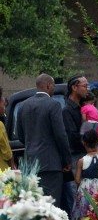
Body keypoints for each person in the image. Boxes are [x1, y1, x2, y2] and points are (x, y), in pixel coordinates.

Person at [17, 74, 71, 207]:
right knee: (51, 206)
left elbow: (20, 135)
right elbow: (60, 135)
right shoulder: (54, 105)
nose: (53, 89)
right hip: (51, 164)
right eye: (53, 86)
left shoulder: (23, 105)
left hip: (30, 163)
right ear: (48, 85)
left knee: (34, 205)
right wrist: (67, 159)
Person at [62, 74, 89, 220]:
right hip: (75, 155)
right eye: (84, 86)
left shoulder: (81, 108)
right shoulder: (67, 110)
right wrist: (87, 137)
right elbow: (72, 136)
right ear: (74, 87)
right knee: (76, 192)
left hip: (83, 153)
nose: (87, 89)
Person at [74, 129, 98, 220]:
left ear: (83, 143)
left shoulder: (82, 160)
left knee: (84, 217)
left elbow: (77, 179)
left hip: (85, 191)